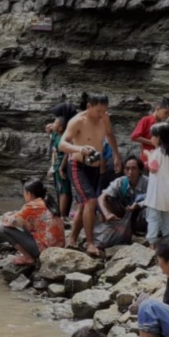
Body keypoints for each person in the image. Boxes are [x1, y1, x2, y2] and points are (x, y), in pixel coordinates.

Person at [59, 94, 123, 257]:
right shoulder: (78, 121)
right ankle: (90, 243)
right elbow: (62, 144)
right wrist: (79, 149)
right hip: (77, 165)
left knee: (83, 205)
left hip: (94, 166)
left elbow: (109, 134)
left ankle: (72, 240)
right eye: (98, 110)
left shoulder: (104, 118)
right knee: (91, 201)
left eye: (104, 110)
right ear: (89, 106)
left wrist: (116, 155)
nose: (101, 114)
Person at [0, 179, 64, 265]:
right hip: (58, 247)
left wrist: (5, 215)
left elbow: (9, 222)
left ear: (29, 194)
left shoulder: (33, 205)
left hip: (46, 250)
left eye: (24, 192)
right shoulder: (46, 202)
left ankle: (28, 258)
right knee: (22, 223)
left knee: (3, 229)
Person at [95, 154, 148, 249]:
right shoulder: (120, 182)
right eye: (127, 168)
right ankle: (118, 228)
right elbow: (101, 197)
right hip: (123, 214)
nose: (130, 172)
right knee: (108, 198)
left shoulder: (147, 182)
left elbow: (154, 199)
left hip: (141, 216)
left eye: (134, 168)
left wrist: (138, 205)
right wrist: (107, 214)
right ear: (124, 170)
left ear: (140, 170)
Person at [145, 122, 169, 245]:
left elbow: (152, 168)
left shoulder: (157, 153)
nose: (150, 138)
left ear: (159, 137)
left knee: (153, 217)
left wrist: (148, 155)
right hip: (168, 189)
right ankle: (168, 239)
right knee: (165, 215)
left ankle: (152, 243)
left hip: (156, 191)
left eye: (152, 136)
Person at [47, 103, 78, 217]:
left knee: (64, 190)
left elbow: (67, 151)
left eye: (55, 121)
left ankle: (63, 215)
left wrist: (60, 167)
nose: (53, 122)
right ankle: (61, 213)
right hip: (57, 164)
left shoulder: (66, 136)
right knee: (60, 189)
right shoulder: (58, 133)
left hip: (62, 165)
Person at [130, 97, 169, 165]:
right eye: (166, 113)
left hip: (161, 159)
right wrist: (151, 142)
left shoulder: (164, 124)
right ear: (157, 109)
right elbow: (134, 136)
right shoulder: (146, 120)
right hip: (147, 159)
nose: (167, 116)